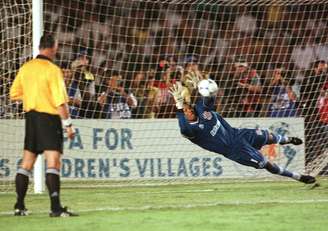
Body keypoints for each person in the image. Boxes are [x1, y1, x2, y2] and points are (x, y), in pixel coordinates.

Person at [169, 81, 316, 184]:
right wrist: (179, 106)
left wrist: (204, 91)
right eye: (185, 111)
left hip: (238, 134)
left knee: (268, 136)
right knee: (266, 164)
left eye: (188, 109)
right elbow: (183, 129)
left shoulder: (202, 110)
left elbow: (209, 100)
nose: (188, 112)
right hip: (235, 150)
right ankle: (299, 177)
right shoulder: (191, 131)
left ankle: (287, 139)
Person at [9, 34, 78, 217]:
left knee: (26, 163)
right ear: (53, 48)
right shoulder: (53, 70)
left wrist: (33, 96)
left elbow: (14, 94)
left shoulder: (26, 68)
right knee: (53, 162)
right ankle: (55, 208)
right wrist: (68, 125)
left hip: (31, 118)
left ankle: (19, 206)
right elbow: (60, 102)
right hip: (48, 119)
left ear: (40, 47)